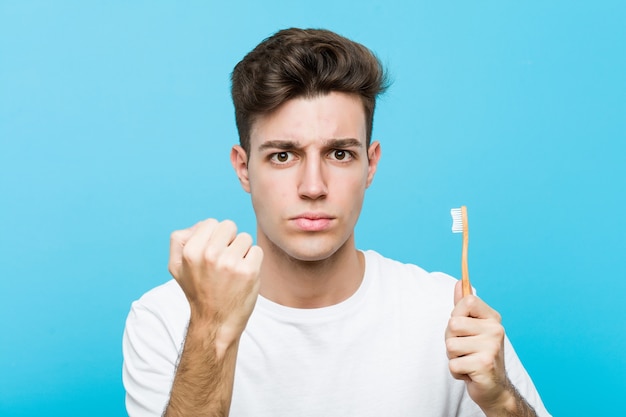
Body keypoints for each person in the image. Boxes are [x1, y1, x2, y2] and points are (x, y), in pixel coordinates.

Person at [122, 28, 551, 417]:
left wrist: (502, 402)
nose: (313, 186)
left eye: (340, 154)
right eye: (283, 155)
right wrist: (211, 326)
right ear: (244, 168)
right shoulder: (167, 318)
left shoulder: (447, 309)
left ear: (371, 164)